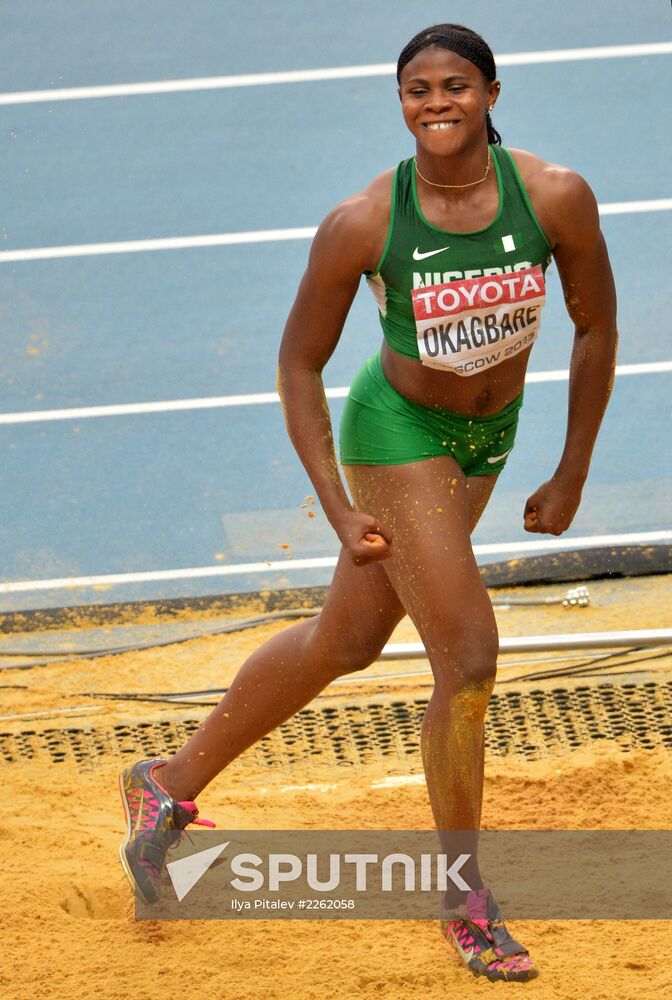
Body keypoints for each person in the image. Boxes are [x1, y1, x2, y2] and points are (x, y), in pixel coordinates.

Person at [118, 23, 617, 983]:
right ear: (401, 103)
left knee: (345, 642)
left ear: (492, 94)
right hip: (397, 435)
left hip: (488, 439)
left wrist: (573, 469)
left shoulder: (556, 197)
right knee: (468, 658)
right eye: (418, 90)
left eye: (456, 86)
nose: (437, 104)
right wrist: (339, 509)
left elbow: (595, 328)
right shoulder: (363, 223)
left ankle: (165, 785)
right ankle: (465, 900)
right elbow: (298, 364)